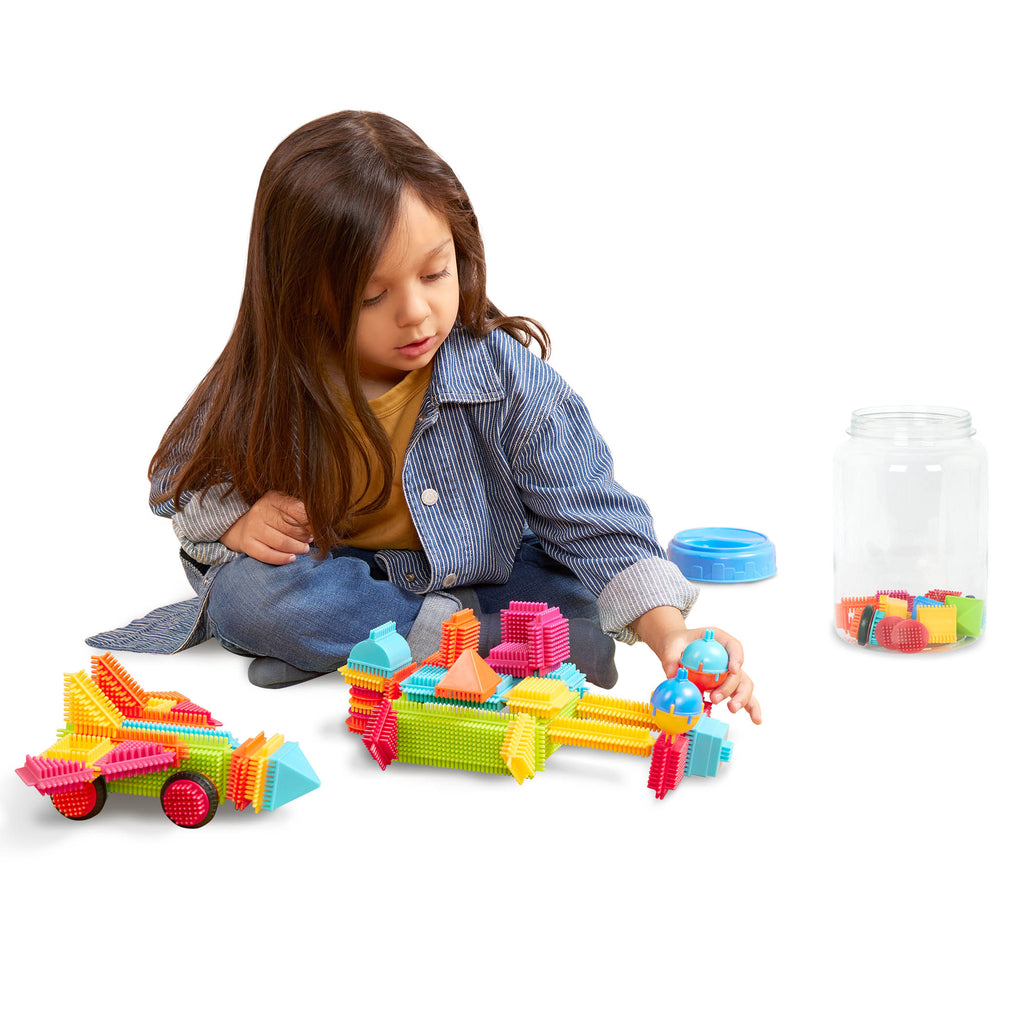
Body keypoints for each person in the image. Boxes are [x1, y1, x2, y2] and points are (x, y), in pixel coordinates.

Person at [87, 110, 761, 724]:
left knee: (566, 585)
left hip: (484, 569)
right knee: (251, 600)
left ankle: (370, 651)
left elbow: (594, 519)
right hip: (341, 572)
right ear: (302, 298)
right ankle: (470, 644)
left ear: (460, 250)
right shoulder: (272, 377)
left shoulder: (504, 378)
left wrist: (672, 636)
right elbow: (177, 479)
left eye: (436, 274)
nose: (415, 314)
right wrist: (236, 520)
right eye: (373, 295)